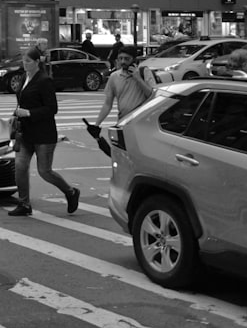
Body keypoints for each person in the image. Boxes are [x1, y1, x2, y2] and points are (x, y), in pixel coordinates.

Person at [8, 47, 79, 217]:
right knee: (20, 167)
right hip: (25, 132)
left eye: (28, 61)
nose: (25, 64)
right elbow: (22, 101)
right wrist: (15, 114)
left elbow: (52, 108)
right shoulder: (24, 77)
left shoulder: (44, 80)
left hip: (43, 133)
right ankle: (24, 203)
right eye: (23, 61)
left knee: (45, 171)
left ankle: (70, 191)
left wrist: (29, 113)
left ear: (37, 62)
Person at [92, 45, 154, 129]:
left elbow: (152, 96)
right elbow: (107, 104)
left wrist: (138, 78)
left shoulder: (144, 72)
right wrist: (96, 125)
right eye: (120, 58)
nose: (123, 62)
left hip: (142, 121)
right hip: (123, 121)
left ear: (134, 60)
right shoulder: (114, 76)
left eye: (126, 59)